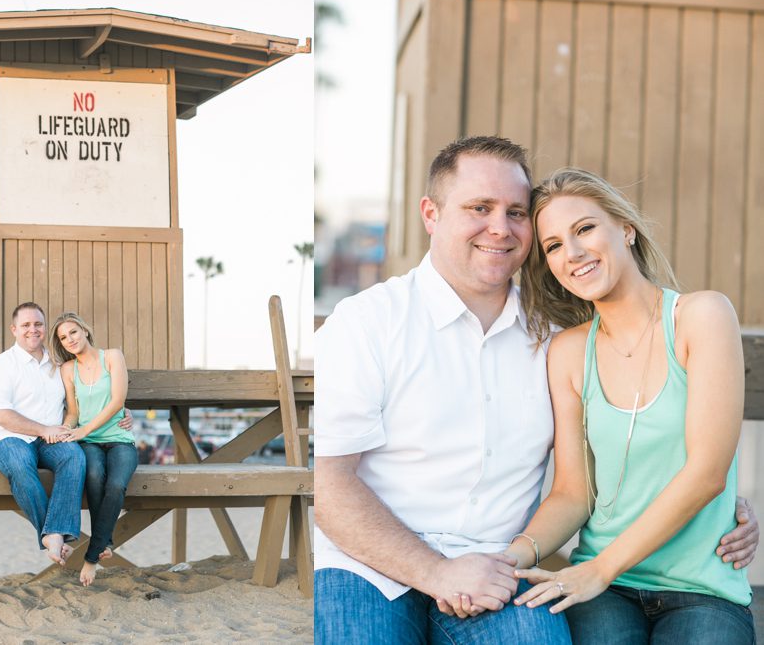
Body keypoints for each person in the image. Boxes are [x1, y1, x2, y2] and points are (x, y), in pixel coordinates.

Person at [313, 137, 759, 644]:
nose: (499, 228)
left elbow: (686, 459)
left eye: (515, 212)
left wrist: (729, 507)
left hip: (499, 569)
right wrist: (440, 573)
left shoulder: (552, 330)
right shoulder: (369, 321)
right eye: (479, 208)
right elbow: (327, 484)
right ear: (430, 214)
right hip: (371, 563)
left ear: (626, 228)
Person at [503, 168, 755, 643]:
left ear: (626, 227)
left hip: (702, 589)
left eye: (584, 229)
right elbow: (572, 494)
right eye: (554, 245)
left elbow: (707, 475)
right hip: (605, 591)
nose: (572, 253)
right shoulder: (569, 353)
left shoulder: (701, 317)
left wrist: (600, 567)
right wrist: (511, 558)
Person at [0, 302, 86, 566]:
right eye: (26, 325)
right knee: (19, 464)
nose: (33, 330)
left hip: (50, 440)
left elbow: (87, 394)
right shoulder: (3, 365)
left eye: (38, 324)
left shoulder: (58, 364)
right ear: (14, 329)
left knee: (74, 457)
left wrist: (123, 412)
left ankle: (55, 533)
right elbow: (0, 414)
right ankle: (53, 535)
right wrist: (43, 429)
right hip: (8, 438)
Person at [51, 312, 138, 587]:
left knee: (116, 485)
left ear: (85, 331)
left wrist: (83, 430)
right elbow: (74, 413)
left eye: (73, 332)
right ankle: (105, 543)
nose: (70, 340)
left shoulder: (112, 356)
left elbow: (117, 402)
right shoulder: (68, 370)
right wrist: (67, 429)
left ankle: (91, 557)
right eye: (63, 338)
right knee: (94, 476)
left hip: (119, 438)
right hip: (88, 443)